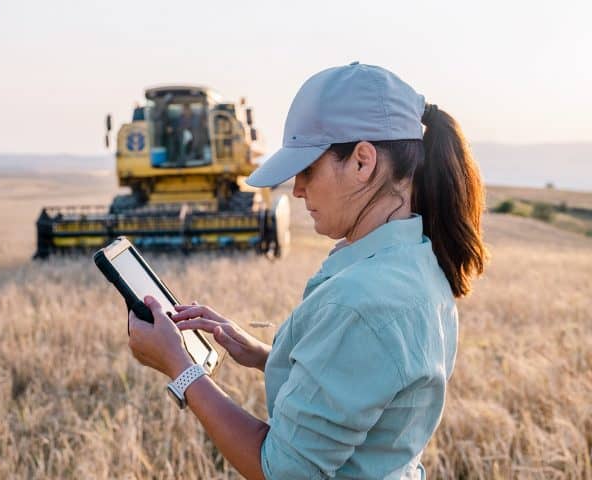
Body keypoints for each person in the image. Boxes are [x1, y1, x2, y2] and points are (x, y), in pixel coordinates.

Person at [126, 62, 487, 479]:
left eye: (308, 169)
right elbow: (368, 386)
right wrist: (267, 355)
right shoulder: (419, 261)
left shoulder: (359, 301)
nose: (296, 189)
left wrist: (180, 367)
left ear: (362, 161)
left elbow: (280, 470)